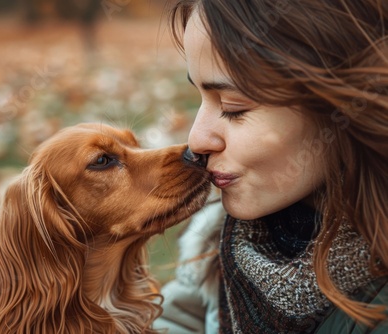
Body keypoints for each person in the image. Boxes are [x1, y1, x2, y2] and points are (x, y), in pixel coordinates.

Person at [154, 0, 388, 333]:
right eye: (200, 99)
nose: (196, 141)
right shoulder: (221, 239)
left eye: (234, 108)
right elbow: (179, 319)